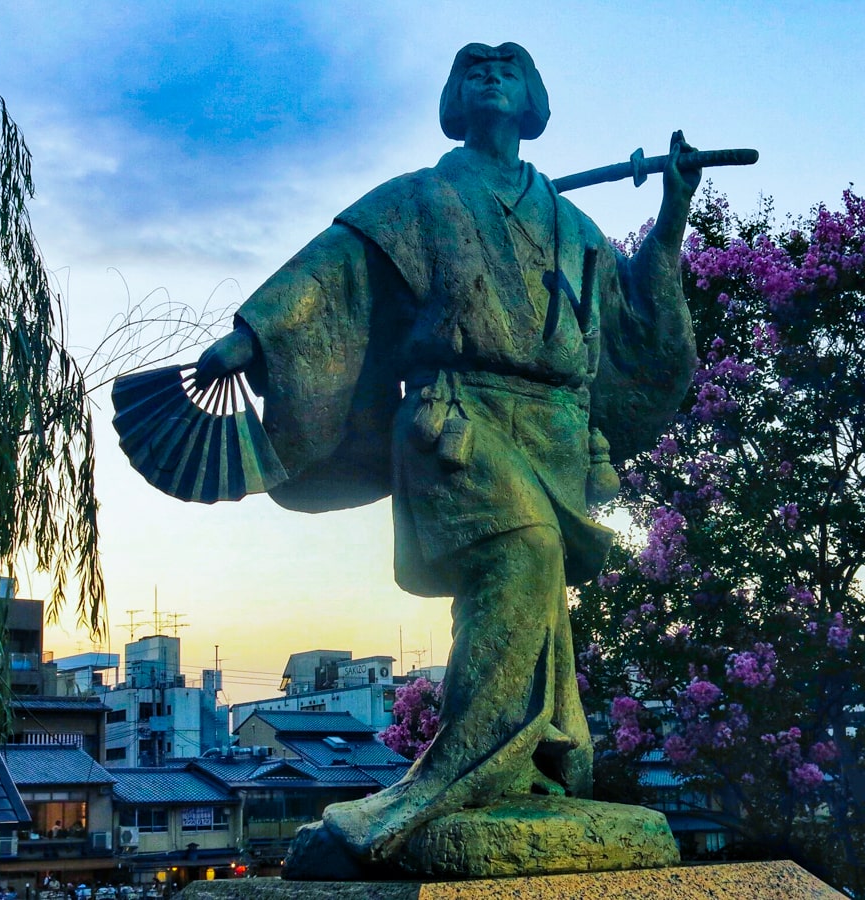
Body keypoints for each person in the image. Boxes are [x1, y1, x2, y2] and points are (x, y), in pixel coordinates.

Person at [194, 42, 699, 869]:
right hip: (453, 418)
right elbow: (336, 271)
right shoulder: (421, 199)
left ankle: (531, 767)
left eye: (507, 67)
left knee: (525, 591)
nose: (489, 75)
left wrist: (673, 212)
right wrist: (252, 337)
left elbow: (631, 320)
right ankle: (443, 783)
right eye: (474, 68)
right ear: (454, 97)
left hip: (555, 427)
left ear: (534, 96)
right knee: (521, 554)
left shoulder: (573, 224)